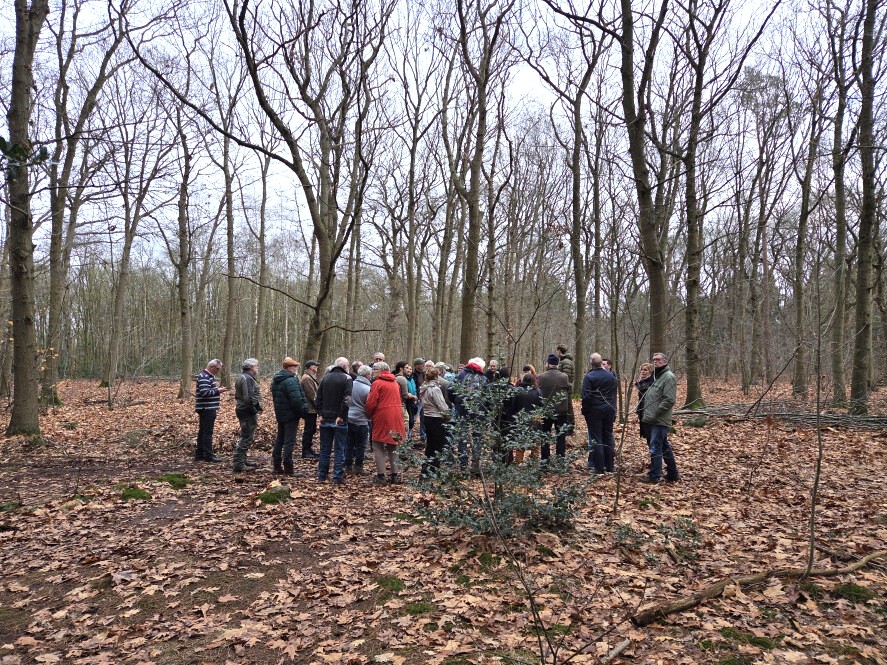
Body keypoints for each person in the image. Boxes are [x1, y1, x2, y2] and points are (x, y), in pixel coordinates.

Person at [640, 352, 680, 484]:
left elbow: (669, 400)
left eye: (658, 360)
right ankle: (673, 473)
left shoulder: (668, 377)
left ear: (665, 362)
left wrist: (656, 413)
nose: (655, 362)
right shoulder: (657, 376)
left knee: (655, 447)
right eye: (653, 360)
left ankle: (654, 475)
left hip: (659, 419)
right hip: (652, 418)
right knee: (663, 446)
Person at [365, 362, 407, 484]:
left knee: (377, 445)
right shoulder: (395, 383)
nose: (373, 371)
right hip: (396, 416)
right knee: (394, 445)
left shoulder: (377, 383)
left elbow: (371, 403)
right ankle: (395, 475)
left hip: (382, 417)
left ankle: (381, 476)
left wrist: (369, 414)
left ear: (382, 371)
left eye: (375, 369)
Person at [315, 357, 353, 484]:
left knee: (325, 449)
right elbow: (347, 399)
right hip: (339, 419)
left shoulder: (325, 378)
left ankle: (322, 475)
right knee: (339, 449)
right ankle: (337, 477)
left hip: (325, 418)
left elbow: (317, 397)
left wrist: (320, 413)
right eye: (347, 364)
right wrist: (341, 415)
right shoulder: (347, 378)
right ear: (344, 366)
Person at [581, 353, 617, 474]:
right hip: (609, 409)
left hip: (595, 411)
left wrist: (585, 411)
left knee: (597, 438)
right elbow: (613, 395)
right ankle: (610, 466)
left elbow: (586, 396)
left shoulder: (589, 377)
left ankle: (599, 468)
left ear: (591, 363)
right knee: (607, 436)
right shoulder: (611, 376)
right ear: (601, 363)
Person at [270, 357, 307, 475]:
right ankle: (288, 468)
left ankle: (276, 466)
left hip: (280, 413)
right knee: (289, 441)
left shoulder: (276, 380)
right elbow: (296, 400)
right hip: (290, 415)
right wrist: (303, 412)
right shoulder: (290, 380)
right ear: (290, 368)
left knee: (280, 440)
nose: (296, 369)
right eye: (295, 367)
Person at [453, 357, 488, 473]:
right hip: (479, 412)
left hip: (462, 411)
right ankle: (475, 464)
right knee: (477, 437)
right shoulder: (483, 378)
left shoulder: (460, 375)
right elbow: (487, 397)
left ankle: (463, 465)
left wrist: (457, 403)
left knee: (462, 437)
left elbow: (451, 390)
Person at [536, 354, 571, 461]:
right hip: (561, 411)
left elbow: (538, 392)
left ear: (548, 364)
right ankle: (560, 461)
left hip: (546, 411)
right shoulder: (564, 377)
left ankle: (545, 460)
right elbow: (569, 391)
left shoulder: (541, 377)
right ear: (557, 364)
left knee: (545, 436)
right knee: (560, 436)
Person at [502, 372, 543, 464]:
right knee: (535, 445)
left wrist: (511, 419)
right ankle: (534, 464)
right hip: (534, 421)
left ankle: (518, 463)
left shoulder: (517, 391)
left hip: (520, 420)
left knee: (520, 445)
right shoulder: (538, 391)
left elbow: (512, 407)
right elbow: (541, 407)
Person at [419, 366, 451, 478]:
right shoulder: (435, 389)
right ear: (437, 376)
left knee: (430, 444)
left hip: (427, 417)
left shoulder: (423, 387)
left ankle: (427, 468)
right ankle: (434, 469)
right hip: (436, 419)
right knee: (437, 446)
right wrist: (448, 416)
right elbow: (442, 406)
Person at [194, 359, 228, 462]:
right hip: (206, 408)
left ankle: (200, 454)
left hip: (207, 407)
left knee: (203, 431)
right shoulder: (204, 377)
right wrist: (218, 390)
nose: (217, 371)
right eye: (217, 369)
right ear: (211, 367)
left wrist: (217, 389)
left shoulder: (208, 376)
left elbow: (207, 390)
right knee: (207, 432)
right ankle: (208, 455)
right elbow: (204, 393)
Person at [232, 358, 263, 472]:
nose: (257, 368)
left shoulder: (243, 377)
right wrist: (253, 410)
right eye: (256, 366)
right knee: (246, 437)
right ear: (250, 367)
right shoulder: (248, 379)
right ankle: (239, 464)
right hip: (246, 411)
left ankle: (242, 459)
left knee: (245, 435)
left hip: (243, 409)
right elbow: (248, 397)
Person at [346, 364, 373, 476]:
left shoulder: (351, 385)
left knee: (349, 444)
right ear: (367, 375)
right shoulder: (368, 389)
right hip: (362, 420)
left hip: (349, 418)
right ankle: (358, 466)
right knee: (361, 445)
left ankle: (347, 465)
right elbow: (369, 405)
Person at [300, 361, 321, 458]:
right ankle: (305, 451)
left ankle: (309, 449)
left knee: (311, 429)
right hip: (309, 409)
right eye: (315, 366)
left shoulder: (309, 377)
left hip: (311, 409)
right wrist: (319, 407)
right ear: (310, 367)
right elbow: (312, 395)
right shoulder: (307, 379)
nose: (317, 367)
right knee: (309, 430)